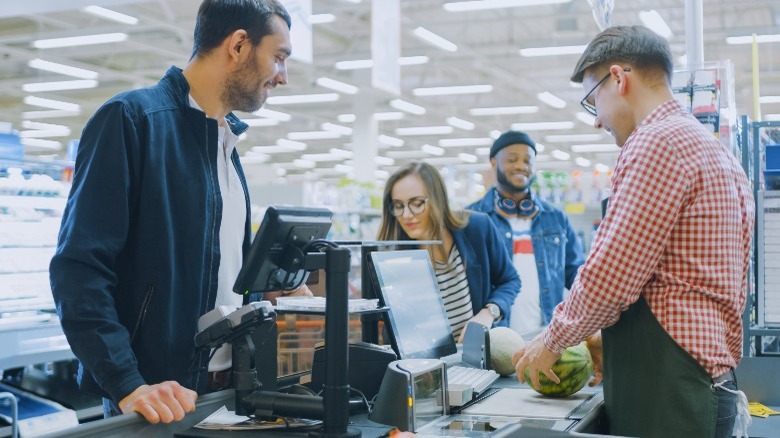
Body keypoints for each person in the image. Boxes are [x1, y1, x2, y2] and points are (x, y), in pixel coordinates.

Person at [49, 0, 297, 424]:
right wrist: (127, 383)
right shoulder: (132, 120)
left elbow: (212, 278)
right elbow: (79, 270)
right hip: (156, 402)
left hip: (228, 392)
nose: (283, 77)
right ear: (238, 45)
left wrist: (265, 294)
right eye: (278, 57)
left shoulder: (225, 144)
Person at [515, 25, 754, 438]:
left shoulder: (655, 143)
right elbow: (681, 278)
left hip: (669, 389)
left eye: (593, 102)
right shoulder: (712, 147)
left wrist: (551, 341)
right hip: (701, 377)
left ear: (619, 79)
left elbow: (611, 273)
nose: (597, 123)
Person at [377, 161, 520, 342]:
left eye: (416, 203)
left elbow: (510, 280)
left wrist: (488, 313)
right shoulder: (396, 257)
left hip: (478, 357)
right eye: (398, 205)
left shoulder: (476, 228)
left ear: (437, 200)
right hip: (426, 364)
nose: (406, 215)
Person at [467, 130, 584, 338]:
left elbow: (575, 274)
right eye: (512, 159)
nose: (521, 166)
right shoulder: (474, 218)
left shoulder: (555, 218)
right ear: (494, 163)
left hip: (547, 337)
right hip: (495, 336)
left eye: (527, 160)